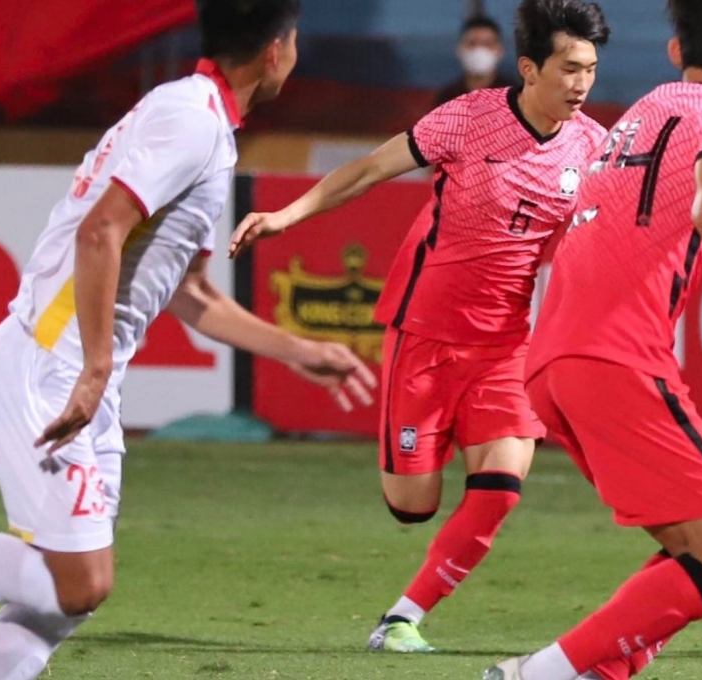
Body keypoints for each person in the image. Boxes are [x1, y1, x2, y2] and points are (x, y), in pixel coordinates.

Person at [0, 2, 378, 678]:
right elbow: (99, 232)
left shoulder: (201, 123)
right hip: (51, 366)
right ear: (275, 50)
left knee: (62, 604)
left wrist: (299, 351)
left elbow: (191, 295)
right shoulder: (190, 121)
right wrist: (96, 367)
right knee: (80, 581)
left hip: (78, 373)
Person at [228, 0, 609, 656]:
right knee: (413, 504)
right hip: (426, 333)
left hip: (507, 345)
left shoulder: (592, 147)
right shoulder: (468, 119)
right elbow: (372, 168)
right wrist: (289, 215)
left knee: (500, 490)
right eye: (569, 68)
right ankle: (425, 464)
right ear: (528, 67)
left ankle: (402, 616)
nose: (582, 83)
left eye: (591, 69)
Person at [484, 1, 702, 679]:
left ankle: (599, 672)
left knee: (694, 550)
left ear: (676, 50)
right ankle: (537, 674)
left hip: (552, 360)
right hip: (615, 358)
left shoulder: (644, 108)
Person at [435, 14, 518, 106]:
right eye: (472, 43)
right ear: (458, 49)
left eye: (487, 44)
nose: (479, 50)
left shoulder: (515, 96)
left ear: (500, 51)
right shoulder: (448, 96)